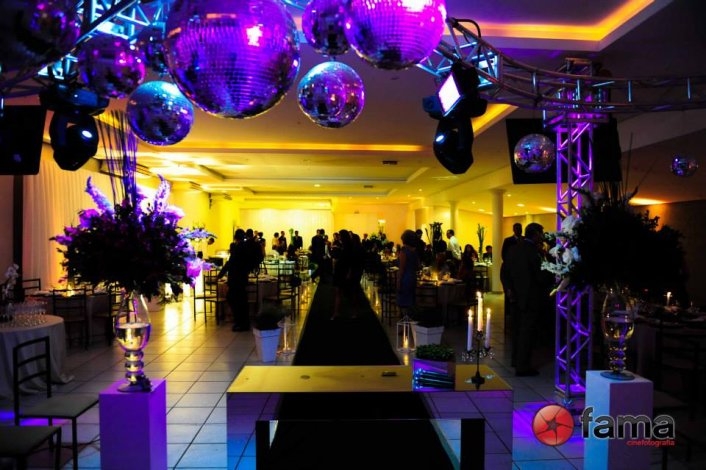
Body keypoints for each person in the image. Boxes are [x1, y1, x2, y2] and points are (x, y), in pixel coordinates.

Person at [503, 222, 545, 376]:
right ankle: (523, 366)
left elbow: (504, 272)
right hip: (530, 297)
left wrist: (509, 289)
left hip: (515, 296)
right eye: (541, 233)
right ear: (536, 234)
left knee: (516, 330)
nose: (542, 236)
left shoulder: (513, 249)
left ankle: (515, 359)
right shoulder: (533, 251)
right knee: (527, 332)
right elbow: (539, 275)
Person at [218, 229, 255, 332]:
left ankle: (240, 322)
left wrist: (220, 274)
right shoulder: (245, 247)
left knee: (234, 299)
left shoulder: (238, 247)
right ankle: (243, 322)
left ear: (235, 237)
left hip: (236, 278)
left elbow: (230, 263)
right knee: (241, 300)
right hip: (242, 277)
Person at [396, 229, 420, 318]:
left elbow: (402, 268)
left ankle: (404, 320)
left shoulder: (404, 251)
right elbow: (418, 266)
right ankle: (410, 319)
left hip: (406, 278)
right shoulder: (414, 251)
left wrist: (398, 281)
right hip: (413, 277)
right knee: (410, 300)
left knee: (403, 301)